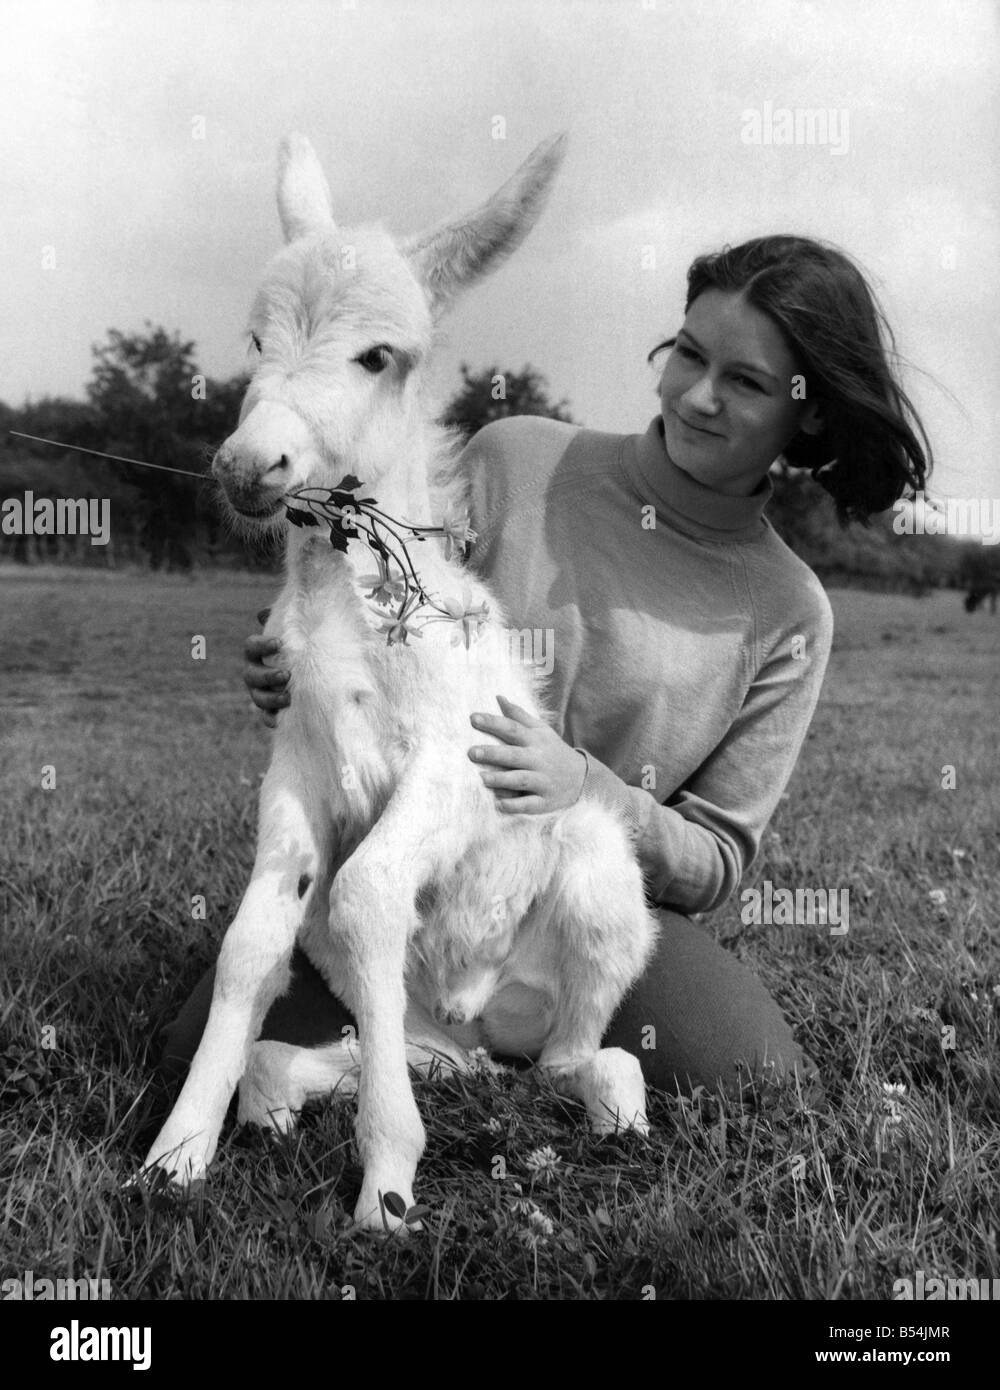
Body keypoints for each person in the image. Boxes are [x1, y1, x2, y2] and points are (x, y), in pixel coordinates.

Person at [159, 234, 931, 1101]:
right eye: (688, 354)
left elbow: (715, 858)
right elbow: (370, 594)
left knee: (750, 1070)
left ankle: (504, 1046)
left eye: (745, 382)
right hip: (402, 862)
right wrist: (293, 662)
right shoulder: (514, 459)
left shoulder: (791, 611)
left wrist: (587, 786)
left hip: (571, 891)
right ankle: (419, 1044)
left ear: (810, 411)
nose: (698, 396)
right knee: (194, 1049)